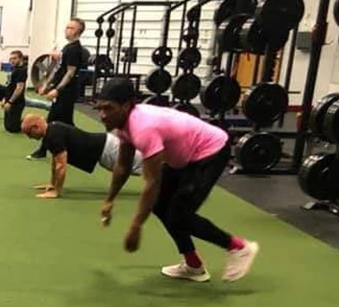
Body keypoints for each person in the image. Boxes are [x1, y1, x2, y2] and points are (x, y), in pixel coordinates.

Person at [95, 78, 259, 283]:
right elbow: (123, 166)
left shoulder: (143, 128)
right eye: (100, 108)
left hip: (211, 152)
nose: (102, 115)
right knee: (160, 205)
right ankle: (193, 265)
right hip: (185, 157)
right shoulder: (123, 126)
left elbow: (152, 182)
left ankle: (240, 248)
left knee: (180, 216)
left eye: (108, 108)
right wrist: (109, 200)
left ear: (126, 106)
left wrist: (136, 226)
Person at [20, 114, 144, 198]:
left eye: (29, 133)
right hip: (104, 150)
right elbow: (55, 161)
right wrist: (52, 184)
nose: (30, 137)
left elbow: (61, 166)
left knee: (146, 165)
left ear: (36, 127)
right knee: (137, 168)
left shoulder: (53, 135)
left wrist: (57, 191)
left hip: (108, 148)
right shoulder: (52, 130)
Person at [30, 18, 86, 159]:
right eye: (67, 27)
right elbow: (58, 69)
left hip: (67, 92)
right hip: (62, 91)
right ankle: (82, 146)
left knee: (52, 121)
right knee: (66, 122)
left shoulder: (74, 49)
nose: (67, 30)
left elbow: (70, 73)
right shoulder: (67, 47)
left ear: (78, 32)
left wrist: (57, 90)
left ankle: (43, 150)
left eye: (71, 28)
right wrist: (46, 85)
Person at [0, 50, 28, 133]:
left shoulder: (22, 70)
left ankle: (30, 122)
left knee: (13, 129)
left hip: (17, 102)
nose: (12, 61)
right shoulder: (14, 68)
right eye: (11, 59)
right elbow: (10, 86)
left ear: (21, 59)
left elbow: (19, 88)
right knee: (7, 127)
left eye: (14, 58)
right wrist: (5, 99)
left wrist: (10, 102)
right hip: (8, 99)